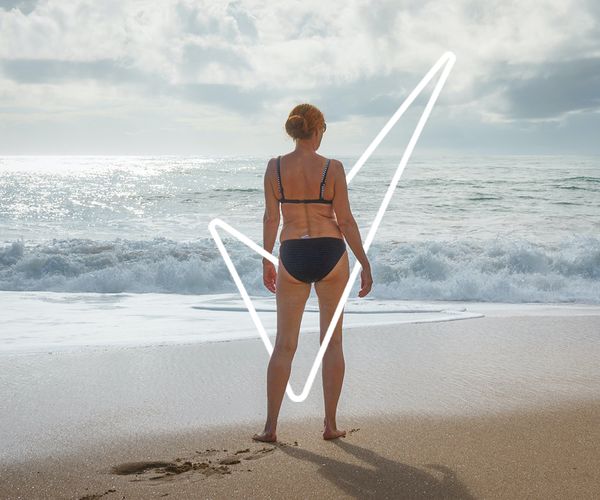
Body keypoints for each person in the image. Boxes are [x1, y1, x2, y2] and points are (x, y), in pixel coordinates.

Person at [253, 103, 373, 443]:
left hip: (292, 254)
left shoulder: (274, 168)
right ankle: (330, 426)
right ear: (317, 130)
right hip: (331, 254)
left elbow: (270, 219)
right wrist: (364, 261)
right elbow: (345, 220)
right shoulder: (332, 168)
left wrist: (266, 260)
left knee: (284, 345)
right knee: (332, 342)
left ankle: (270, 428)